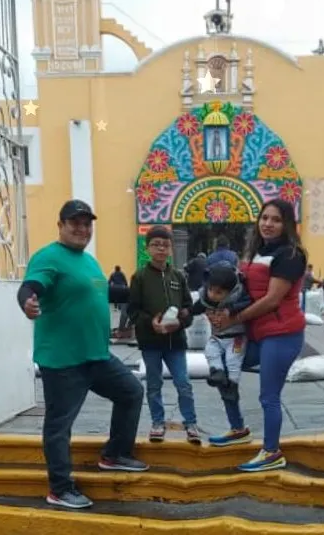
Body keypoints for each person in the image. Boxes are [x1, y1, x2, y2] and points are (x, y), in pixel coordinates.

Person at [17, 199, 147, 511]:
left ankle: (114, 454)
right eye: (74, 222)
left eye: (87, 223)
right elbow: (30, 286)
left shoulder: (88, 261)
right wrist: (28, 301)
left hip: (97, 356)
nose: (82, 228)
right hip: (64, 360)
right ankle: (60, 488)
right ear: (60, 225)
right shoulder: (49, 257)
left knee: (131, 392)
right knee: (60, 425)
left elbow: (103, 293)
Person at [211, 199, 306, 469]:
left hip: (281, 333)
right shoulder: (256, 251)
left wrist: (234, 319)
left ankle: (272, 452)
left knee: (269, 396)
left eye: (276, 219)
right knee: (223, 372)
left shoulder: (290, 255)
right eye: (265, 218)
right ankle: (238, 428)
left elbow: (272, 300)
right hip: (255, 332)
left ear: (286, 224)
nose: (268, 224)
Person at [129, 225, 201, 445]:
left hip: (176, 342)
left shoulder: (178, 276)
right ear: (148, 248)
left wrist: (180, 322)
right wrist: (150, 323)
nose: (161, 249)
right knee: (153, 384)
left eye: (165, 245)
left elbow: (189, 307)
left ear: (170, 249)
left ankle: (191, 423)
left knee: (183, 383)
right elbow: (133, 310)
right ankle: (158, 422)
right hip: (150, 342)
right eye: (156, 244)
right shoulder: (139, 277)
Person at [192, 262, 252, 446]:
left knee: (233, 362)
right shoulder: (206, 298)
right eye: (211, 290)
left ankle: (231, 384)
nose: (213, 295)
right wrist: (182, 314)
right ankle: (216, 371)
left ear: (229, 291)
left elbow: (249, 302)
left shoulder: (238, 297)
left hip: (236, 338)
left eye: (219, 293)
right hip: (217, 337)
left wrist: (232, 310)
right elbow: (195, 308)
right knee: (210, 350)